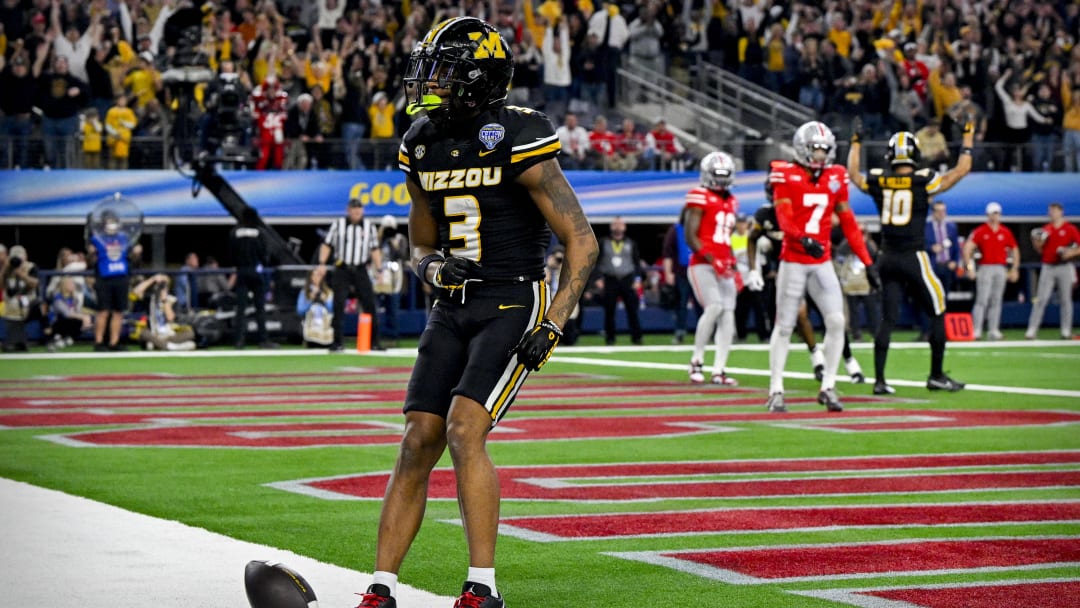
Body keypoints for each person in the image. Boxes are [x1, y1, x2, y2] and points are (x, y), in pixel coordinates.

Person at [355, 17, 598, 608]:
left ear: (478, 78)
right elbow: (420, 245)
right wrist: (432, 268)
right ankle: (381, 587)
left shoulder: (518, 132)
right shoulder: (421, 139)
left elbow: (581, 239)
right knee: (418, 437)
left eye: (443, 70)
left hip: (512, 298)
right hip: (452, 304)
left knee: (466, 431)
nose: (429, 82)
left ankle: (482, 586)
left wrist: (554, 322)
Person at [849, 123, 974, 395]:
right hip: (913, 256)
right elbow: (962, 170)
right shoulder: (923, 179)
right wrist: (967, 138)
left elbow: (854, 175)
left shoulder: (880, 180)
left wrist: (856, 142)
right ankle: (936, 375)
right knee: (938, 308)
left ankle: (880, 381)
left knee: (888, 318)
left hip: (887, 257)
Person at [764, 121, 879, 414]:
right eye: (816, 149)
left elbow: (849, 221)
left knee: (838, 321)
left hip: (821, 260)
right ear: (802, 148)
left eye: (825, 150)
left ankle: (828, 386)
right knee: (785, 325)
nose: (820, 155)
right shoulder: (784, 174)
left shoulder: (836, 176)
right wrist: (803, 238)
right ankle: (776, 389)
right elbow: (784, 217)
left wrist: (868, 261)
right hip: (794, 260)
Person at [684, 151, 741, 386]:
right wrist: (711, 258)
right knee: (715, 306)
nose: (720, 180)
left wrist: (729, 259)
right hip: (702, 265)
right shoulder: (699, 196)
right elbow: (690, 235)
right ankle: (696, 361)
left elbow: (725, 237)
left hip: (723, 264)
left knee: (728, 313)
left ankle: (720, 369)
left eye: (723, 175)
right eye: (716, 175)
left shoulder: (732, 201)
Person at [318, 198, 383, 352]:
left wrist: (379, 270)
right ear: (348, 210)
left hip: (360, 269)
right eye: (354, 210)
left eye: (359, 210)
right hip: (342, 269)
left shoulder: (369, 227)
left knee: (370, 304)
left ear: (362, 211)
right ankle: (337, 342)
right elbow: (327, 244)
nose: (356, 213)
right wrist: (321, 264)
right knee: (338, 305)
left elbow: (375, 249)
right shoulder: (338, 224)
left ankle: (374, 342)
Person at [963, 202, 1020, 341]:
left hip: (1000, 268)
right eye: (993, 213)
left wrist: (1014, 269)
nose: (995, 216)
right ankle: (977, 329)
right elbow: (967, 248)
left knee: (996, 300)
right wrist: (970, 267)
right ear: (988, 215)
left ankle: (993, 330)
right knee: (982, 299)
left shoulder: (1005, 231)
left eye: (997, 213)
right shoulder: (981, 231)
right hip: (985, 267)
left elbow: (1015, 250)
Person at [1025, 202, 1080, 340]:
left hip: (1064, 266)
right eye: (1050, 211)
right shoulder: (1046, 229)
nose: (1052, 214)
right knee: (1041, 299)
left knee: (1066, 300)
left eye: (1054, 211)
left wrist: (1071, 253)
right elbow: (1040, 250)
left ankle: (1066, 331)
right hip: (1048, 266)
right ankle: (1032, 330)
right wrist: (1037, 244)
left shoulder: (1070, 228)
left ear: (1061, 212)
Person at [87, 211, 133, 351]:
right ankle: (99, 342)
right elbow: (91, 258)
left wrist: (136, 252)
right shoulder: (97, 239)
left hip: (121, 277)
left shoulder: (124, 238)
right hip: (104, 278)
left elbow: (131, 256)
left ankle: (114, 342)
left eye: (114, 222)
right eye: (109, 222)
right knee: (103, 311)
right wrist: (91, 252)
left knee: (119, 312)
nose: (111, 225)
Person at [229, 207, 273, 349]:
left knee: (241, 309)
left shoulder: (235, 232)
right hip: (255, 271)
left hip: (241, 272)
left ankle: (239, 341)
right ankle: (263, 340)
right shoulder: (259, 232)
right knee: (259, 307)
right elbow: (264, 253)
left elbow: (230, 253)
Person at [596, 216, 644, 345]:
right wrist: (598, 278)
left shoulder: (631, 243)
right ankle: (610, 338)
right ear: (611, 227)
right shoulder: (603, 242)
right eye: (615, 224)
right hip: (610, 279)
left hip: (627, 279)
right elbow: (597, 262)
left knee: (632, 309)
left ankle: (637, 337)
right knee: (609, 310)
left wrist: (638, 279)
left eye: (620, 224)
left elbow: (636, 263)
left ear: (624, 227)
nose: (617, 227)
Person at [131, 273, 197, 351]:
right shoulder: (150, 299)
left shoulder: (172, 300)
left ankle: (160, 345)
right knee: (143, 332)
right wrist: (153, 279)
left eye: (164, 285)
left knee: (190, 333)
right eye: (159, 285)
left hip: (169, 335)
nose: (160, 288)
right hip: (154, 334)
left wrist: (165, 300)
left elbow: (170, 318)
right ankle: (170, 347)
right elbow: (135, 292)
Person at [661, 207, 696, 344]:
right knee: (681, 303)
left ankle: (707, 332)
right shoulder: (675, 230)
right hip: (681, 273)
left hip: (699, 272)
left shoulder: (700, 230)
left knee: (702, 304)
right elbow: (668, 253)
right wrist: (668, 273)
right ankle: (680, 332)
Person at [296, 265, 333, 347]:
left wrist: (325, 300)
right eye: (314, 275)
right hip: (311, 328)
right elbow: (299, 311)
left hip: (326, 329)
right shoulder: (304, 292)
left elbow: (333, 310)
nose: (316, 277)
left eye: (319, 275)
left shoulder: (328, 292)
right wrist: (310, 300)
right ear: (310, 277)